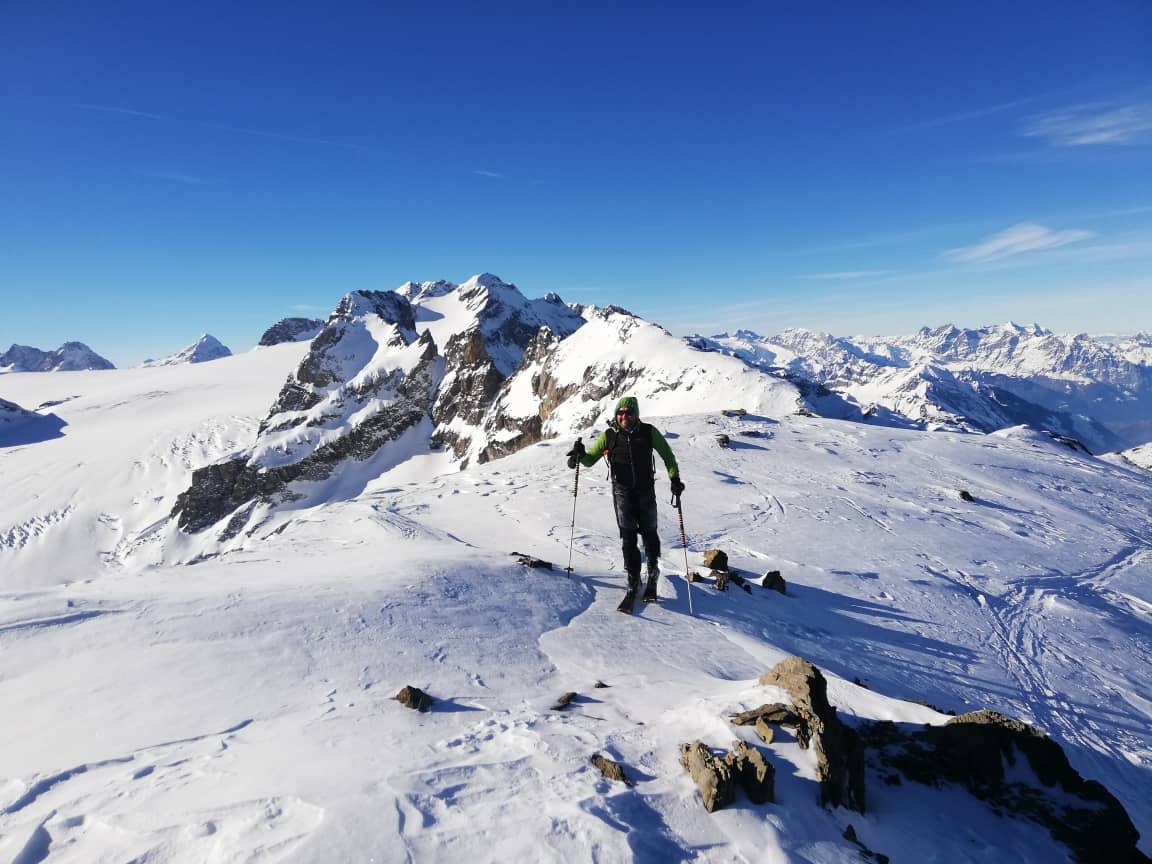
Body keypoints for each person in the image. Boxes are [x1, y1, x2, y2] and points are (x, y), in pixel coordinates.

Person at [566, 396, 684, 609]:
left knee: (649, 533)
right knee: (628, 536)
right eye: (620, 413)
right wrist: (579, 455)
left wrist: (674, 478)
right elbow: (591, 459)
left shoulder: (649, 432)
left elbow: (667, 456)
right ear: (616, 415)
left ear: (636, 414)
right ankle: (633, 580)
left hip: (645, 490)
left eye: (629, 413)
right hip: (621, 491)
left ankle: (653, 575)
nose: (624, 417)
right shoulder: (609, 436)